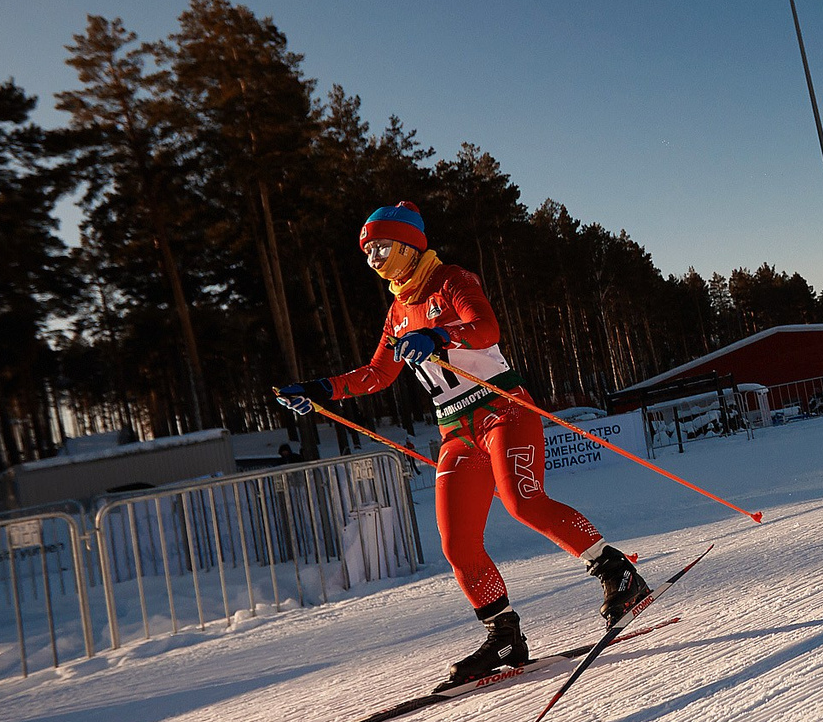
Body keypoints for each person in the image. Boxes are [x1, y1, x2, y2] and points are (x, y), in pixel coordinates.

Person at [274, 200, 648, 689]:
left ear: (410, 244)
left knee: (522, 502)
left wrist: (439, 336)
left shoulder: (451, 280)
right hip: (455, 428)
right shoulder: (396, 311)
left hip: (502, 407)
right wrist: (323, 389)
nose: (375, 260)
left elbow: (487, 328)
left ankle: (619, 574)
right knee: (456, 541)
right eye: (368, 253)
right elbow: (378, 373)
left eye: (382, 247)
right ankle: (504, 634)